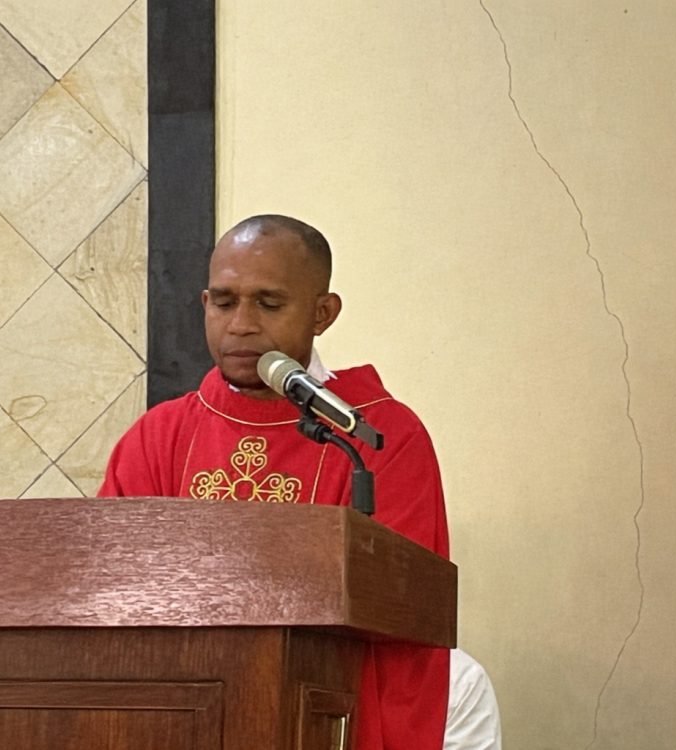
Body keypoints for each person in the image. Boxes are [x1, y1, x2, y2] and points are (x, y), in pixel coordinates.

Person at [99, 214, 451, 750]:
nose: (241, 324)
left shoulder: (377, 438)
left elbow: (408, 614)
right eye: (224, 302)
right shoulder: (159, 436)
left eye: (268, 304)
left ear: (322, 313)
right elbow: (111, 595)